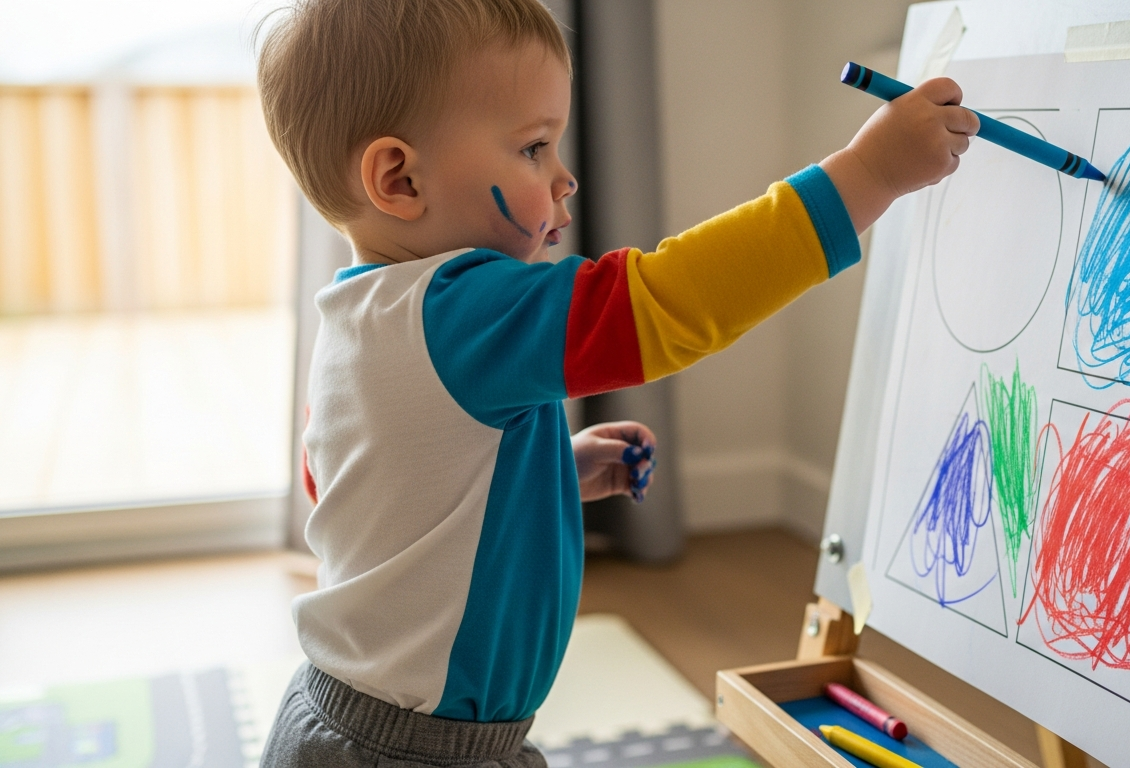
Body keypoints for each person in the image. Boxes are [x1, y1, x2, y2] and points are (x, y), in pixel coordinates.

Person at [255, 0, 978, 764]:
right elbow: (671, 301)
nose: (565, 177)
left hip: (360, 722)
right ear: (399, 177)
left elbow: (385, 506)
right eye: (534, 148)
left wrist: (547, 476)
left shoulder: (357, 317)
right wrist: (867, 175)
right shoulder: (459, 308)